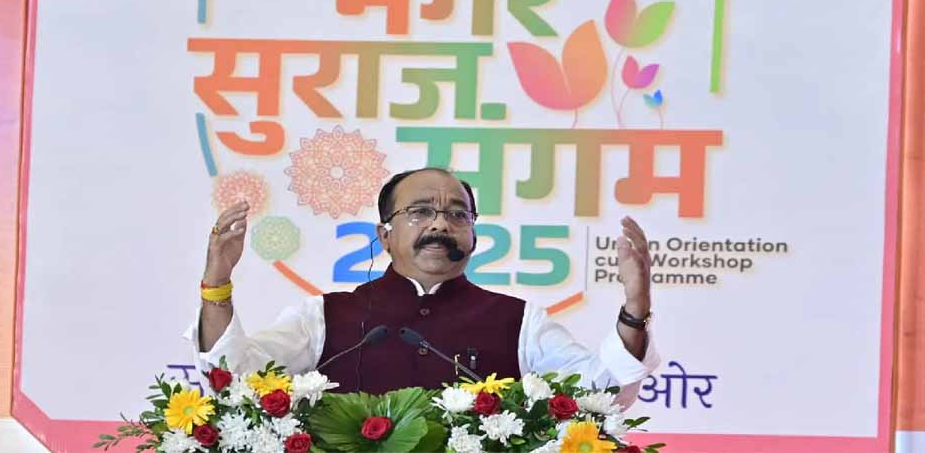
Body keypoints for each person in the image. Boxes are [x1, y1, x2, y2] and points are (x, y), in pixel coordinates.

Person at [186, 167, 659, 407]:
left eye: (457, 214)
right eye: (420, 212)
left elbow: (605, 391)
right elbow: (236, 380)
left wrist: (635, 307)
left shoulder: (519, 321)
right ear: (384, 235)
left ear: (473, 234)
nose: (440, 224)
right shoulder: (324, 316)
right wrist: (217, 283)